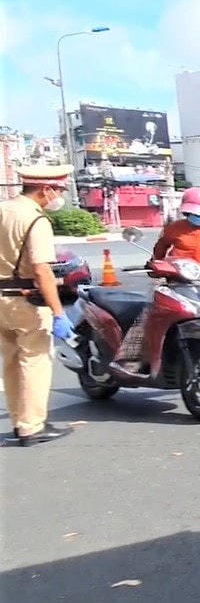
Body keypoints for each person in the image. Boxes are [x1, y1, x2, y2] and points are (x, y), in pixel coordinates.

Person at [112, 187, 200, 372]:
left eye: (196, 210)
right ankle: (132, 358)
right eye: (188, 211)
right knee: (148, 316)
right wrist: (155, 266)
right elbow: (159, 251)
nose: (191, 214)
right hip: (172, 281)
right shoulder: (173, 229)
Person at [0, 165, 76, 446]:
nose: (59, 196)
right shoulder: (35, 220)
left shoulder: (3, 209)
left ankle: (20, 420)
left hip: (1, 299)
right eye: (59, 190)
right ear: (46, 189)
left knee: (10, 362)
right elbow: (42, 270)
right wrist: (58, 313)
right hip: (26, 301)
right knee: (34, 361)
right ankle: (32, 427)